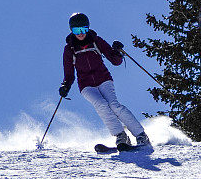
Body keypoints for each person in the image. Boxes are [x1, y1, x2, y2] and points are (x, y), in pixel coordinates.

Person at [59, 12, 151, 148]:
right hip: (86, 85)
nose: (80, 33)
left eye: (83, 29)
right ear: (71, 30)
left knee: (114, 105)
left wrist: (117, 52)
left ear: (88, 28)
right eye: (76, 30)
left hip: (103, 79)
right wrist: (65, 86)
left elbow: (115, 61)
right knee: (101, 105)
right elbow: (69, 74)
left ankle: (141, 135)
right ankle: (121, 136)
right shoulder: (69, 49)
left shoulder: (96, 41)